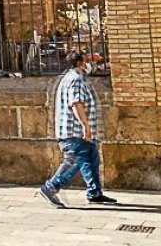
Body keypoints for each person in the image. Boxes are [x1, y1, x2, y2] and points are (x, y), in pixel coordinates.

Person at [40, 52, 117, 208]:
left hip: (77, 132)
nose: (89, 65)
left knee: (92, 160)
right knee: (74, 161)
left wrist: (92, 58)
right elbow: (76, 103)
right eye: (86, 62)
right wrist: (86, 126)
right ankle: (50, 187)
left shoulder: (73, 76)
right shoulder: (75, 80)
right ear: (81, 63)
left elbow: (90, 67)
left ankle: (94, 193)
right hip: (75, 132)